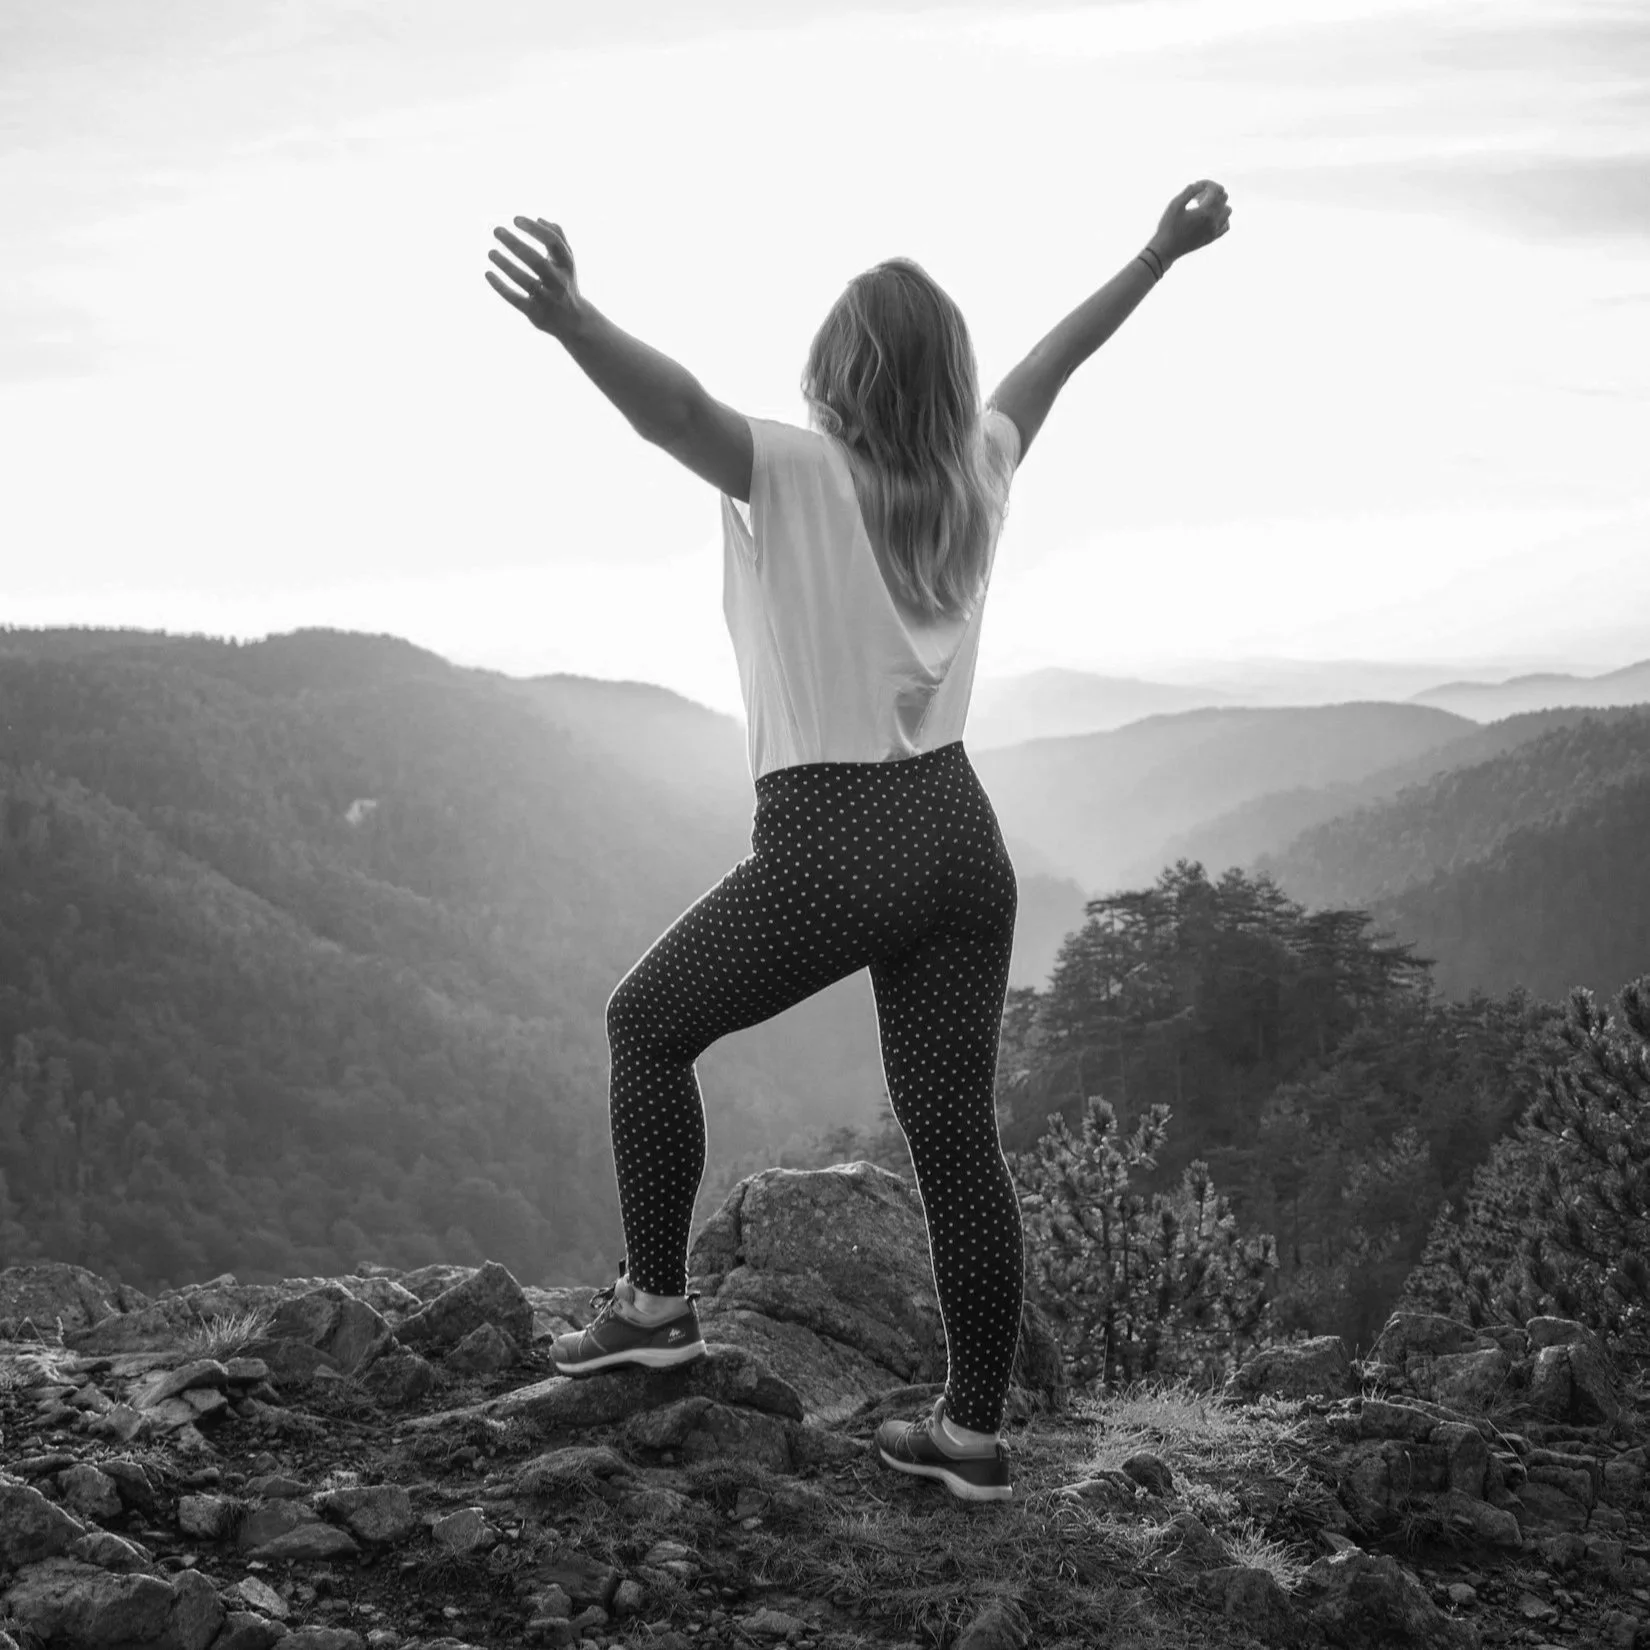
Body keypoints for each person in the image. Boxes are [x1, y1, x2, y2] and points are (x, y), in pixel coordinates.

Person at [483, 180, 1233, 1503]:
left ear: (839, 371)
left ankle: (652, 1307)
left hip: (834, 839)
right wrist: (1156, 253)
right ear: (945, 380)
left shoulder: (800, 469)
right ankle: (972, 1433)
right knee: (957, 1140)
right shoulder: (976, 471)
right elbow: (1054, 362)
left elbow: (674, 411)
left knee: (644, 1025)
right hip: (960, 836)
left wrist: (575, 321)